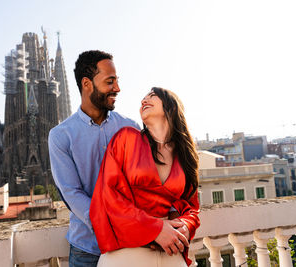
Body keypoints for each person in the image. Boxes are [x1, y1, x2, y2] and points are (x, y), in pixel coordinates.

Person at [90, 87, 200, 267]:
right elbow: (107, 195)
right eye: (143, 98)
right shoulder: (126, 138)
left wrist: (186, 226)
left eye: (152, 96)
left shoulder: (185, 156)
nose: (144, 100)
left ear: (171, 107)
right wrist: (155, 230)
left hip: (169, 250)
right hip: (128, 251)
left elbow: (192, 207)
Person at [48, 50, 139, 267]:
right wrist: (109, 225)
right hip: (87, 250)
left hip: (131, 245)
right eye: (110, 82)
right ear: (87, 84)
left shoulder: (130, 128)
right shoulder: (61, 136)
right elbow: (71, 192)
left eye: (116, 81)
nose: (117, 88)